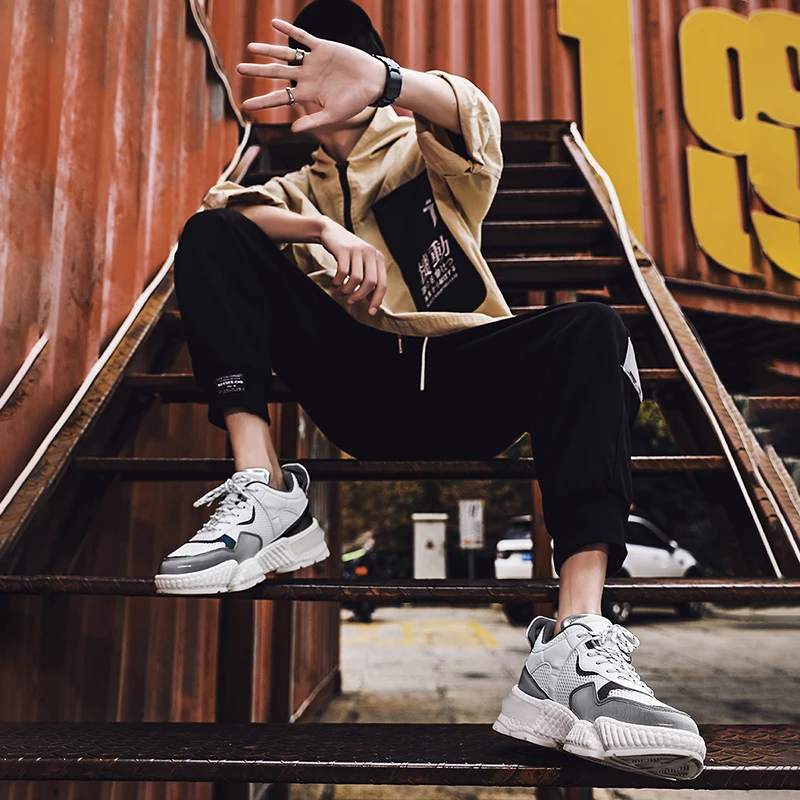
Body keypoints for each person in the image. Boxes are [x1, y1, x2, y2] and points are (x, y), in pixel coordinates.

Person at [155, 0, 705, 780]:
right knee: (210, 236)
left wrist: (388, 82)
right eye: (304, 75)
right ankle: (266, 487)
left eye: (329, 71)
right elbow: (222, 213)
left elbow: (475, 116)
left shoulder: (424, 150)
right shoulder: (296, 188)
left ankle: (573, 645)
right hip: (357, 386)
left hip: (462, 375)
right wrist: (322, 230)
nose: (313, 89)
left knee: (594, 329)